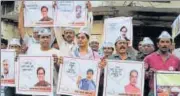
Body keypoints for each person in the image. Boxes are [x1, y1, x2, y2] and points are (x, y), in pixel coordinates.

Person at [144, 31, 180, 96]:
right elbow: (140, 76)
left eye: (167, 42)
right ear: (158, 44)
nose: (165, 44)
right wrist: (148, 73)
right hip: (154, 92)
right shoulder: (148, 58)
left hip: (171, 92)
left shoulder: (176, 60)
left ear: (171, 45)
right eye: (162, 42)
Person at [27, 28, 61, 96]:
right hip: (37, 90)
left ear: (50, 38)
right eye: (43, 37)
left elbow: (61, 71)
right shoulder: (32, 52)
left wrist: (56, 63)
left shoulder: (57, 52)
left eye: (47, 37)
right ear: (39, 38)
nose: (45, 39)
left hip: (53, 89)